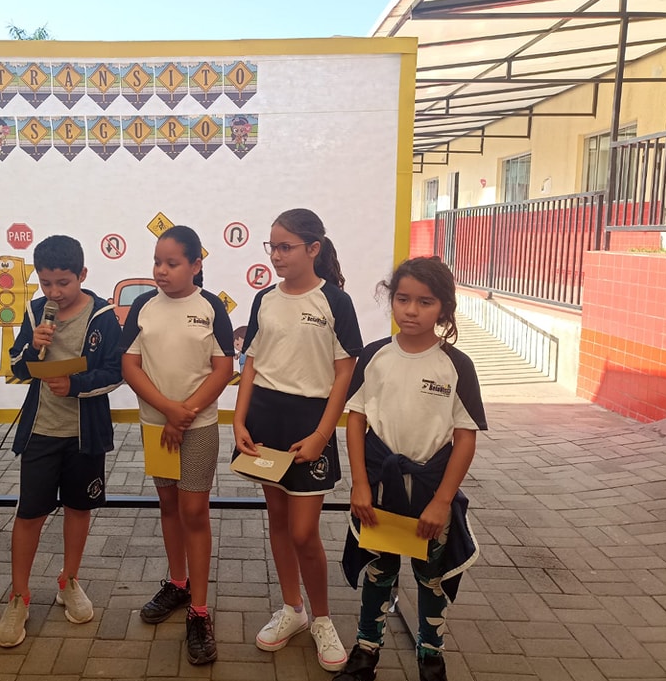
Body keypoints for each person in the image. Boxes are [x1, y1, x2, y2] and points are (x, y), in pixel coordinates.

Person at [338, 256, 487, 681]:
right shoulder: (375, 356)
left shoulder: (457, 365)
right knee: (378, 572)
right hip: (380, 490)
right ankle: (365, 653)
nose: (411, 310)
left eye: (425, 302)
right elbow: (355, 420)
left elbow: (466, 437)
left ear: (444, 308)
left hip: (429, 492)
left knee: (430, 577)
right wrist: (360, 485)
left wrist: (442, 501)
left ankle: (431, 657)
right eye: (403, 299)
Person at [233, 208, 362, 672]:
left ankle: (322, 618)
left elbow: (345, 372)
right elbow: (251, 363)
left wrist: (322, 434)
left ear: (313, 248)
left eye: (285, 247)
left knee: (305, 532)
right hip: (264, 419)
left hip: (311, 424)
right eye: (272, 246)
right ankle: (293, 609)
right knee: (278, 521)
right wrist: (239, 420)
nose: (276, 256)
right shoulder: (264, 299)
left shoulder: (335, 301)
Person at [0, 234, 122, 648]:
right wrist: (32, 348)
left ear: (82, 274)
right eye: (46, 283)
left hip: (85, 435)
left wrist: (76, 385)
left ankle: (69, 581)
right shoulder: (35, 312)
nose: (54, 292)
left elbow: (115, 372)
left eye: (63, 283)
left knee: (78, 509)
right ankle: (19, 596)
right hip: (41, 432)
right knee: (29, 513)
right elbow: (17, 366)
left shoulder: (103, 315)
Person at [119, 225, 235, 665]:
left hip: (198, 427)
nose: (161, 271)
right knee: (168, 506)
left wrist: (185, 413)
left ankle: (199, 611)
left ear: (195, 265)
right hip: (157, 426)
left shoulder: (210, 308)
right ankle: (178, 583)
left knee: (194, 512)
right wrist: (169, 411)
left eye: (172, 263)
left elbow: (223, 368)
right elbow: (130, 365)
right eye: (157, 262)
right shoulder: (143, 307)